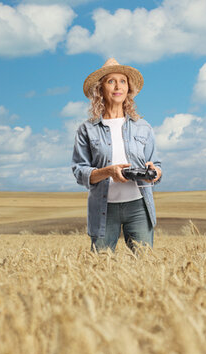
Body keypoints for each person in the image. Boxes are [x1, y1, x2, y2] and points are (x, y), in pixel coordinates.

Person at [71, 58, 163, 252]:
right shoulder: (87, 130)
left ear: (128, 89)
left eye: (122, 81)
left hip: (139, 205)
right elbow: (79, 172)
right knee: (100, 268)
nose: (117, 86)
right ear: (100, 89)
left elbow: (157, 165)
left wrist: (154, 171)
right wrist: (108, 172)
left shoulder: (143, 127)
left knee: (145, 266)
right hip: (104, 209)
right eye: (111, 81)